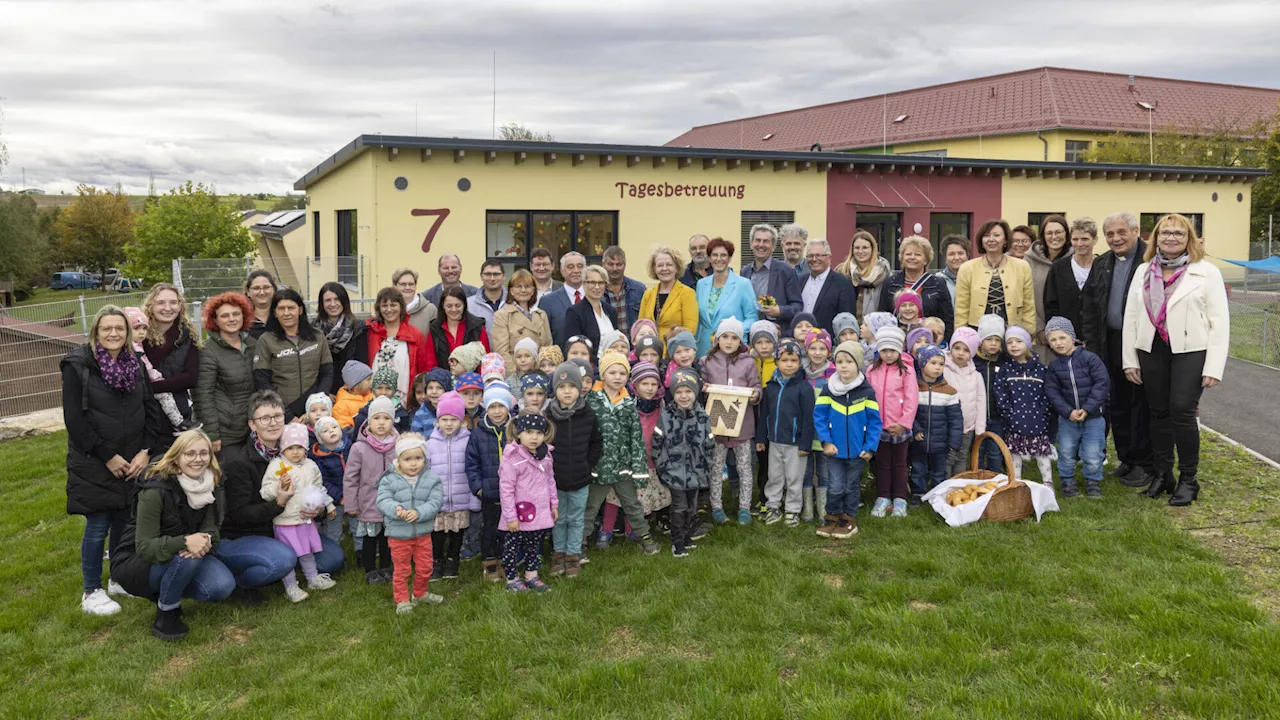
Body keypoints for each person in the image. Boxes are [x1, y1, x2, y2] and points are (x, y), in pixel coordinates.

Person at [1122, 213, 1229, 506]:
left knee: (1182, 411)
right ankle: (1163, 474)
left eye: (1178, 234)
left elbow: (1219, 322)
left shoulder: (1206, 272)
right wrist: (1129, 359)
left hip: (1191, 351)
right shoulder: (1144, 270)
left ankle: (1188, 479)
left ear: (1190, 240)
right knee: (1157, 412)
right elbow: (1131, 316)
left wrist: (1214, 366)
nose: (1171, 238)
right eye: (1165, 232)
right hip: (1151, 348)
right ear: (1155, 238)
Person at [63, 305, 164, 616]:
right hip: (94, 459)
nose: (114, 334)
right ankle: (91, 590)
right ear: (96, 331)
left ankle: (119, 578)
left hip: (132, 459)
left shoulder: (135, 364)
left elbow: (150, 408)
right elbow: (75, 420)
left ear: (128, 332)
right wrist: (107, 456)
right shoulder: (78, 365)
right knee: (98, 525)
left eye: (120, 328)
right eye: (106, 328)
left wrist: (145, 451)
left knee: (124, 519)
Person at [218, 391, 343, 605]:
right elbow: (239, 514)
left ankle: (291, 567)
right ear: (252, 425)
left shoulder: (298, 453)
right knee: (282, 561)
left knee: (333, 559)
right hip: (249, 533)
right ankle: (241, 580)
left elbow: (314, 486)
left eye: (277, 416)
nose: (273, 423)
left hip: (296, 525)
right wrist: (278, 503)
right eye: (264, 418)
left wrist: (318, 509)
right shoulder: (238, 461)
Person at [109, 429, 235, 641]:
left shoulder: (209, 482)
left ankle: (173, 585)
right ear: (177, 458)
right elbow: (144, 547)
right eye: (190, 453)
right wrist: (186, 541)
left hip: (182, 555)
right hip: (136, 562)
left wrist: (205, 540)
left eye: (204, 453)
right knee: (186, 559)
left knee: (222, 585)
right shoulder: (155, 489)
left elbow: (211, 528)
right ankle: (166, 613)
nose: (198, 459)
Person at [1080, 212, 1153, 486]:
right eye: (1110, 234)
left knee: (1140, 403)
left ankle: (1146, 462)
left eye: (1121, 232)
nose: (1116, 238)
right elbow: (1088, 305)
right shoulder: (1103, 263)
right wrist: (1090, 343)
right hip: (1108, 342)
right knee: (1117, 402)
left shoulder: (1149, 260)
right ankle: (1127, 459)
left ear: (1136, 231)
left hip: (1139, 344)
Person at [585, 350, 660, 553]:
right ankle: (579, 544)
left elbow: (635, 440)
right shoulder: (591, 402)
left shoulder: (628, 405)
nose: (618, 377)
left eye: (622, 373)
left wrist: (639, 471)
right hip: (598, 469)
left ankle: (646, 538)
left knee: (633, 505)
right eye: (612, 372)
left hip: (623, 469)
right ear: (602, 374)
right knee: (590, 508)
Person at [259, 423, 338, 603]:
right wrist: (279, 487)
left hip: (306, 520)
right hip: (286, 522)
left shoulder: (311, 466)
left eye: (300, 448)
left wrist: (329, 505)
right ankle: (291, 586)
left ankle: (312, 578)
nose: (295, 452)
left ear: (306, 449)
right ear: (283, 448)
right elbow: (265, 492)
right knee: (289, 555)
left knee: (307, 551)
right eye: (290, 448)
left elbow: (319, 488)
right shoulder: (277, 466)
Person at [813, 340, 880, 539]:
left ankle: (849, 519)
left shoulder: (866, 392)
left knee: (851, 487)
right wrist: (826, 441)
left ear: (858, 364)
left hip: (858, 452)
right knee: (834, 487)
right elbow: (820, 417)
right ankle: (831, 518)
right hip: (834, 451)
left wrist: (869, 448)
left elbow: (875, 422)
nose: (843, 366)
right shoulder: (828, 389)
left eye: (849, 361)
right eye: (839, 361)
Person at [700, 319, 762, 525]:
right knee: (716, 467)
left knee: (744, 467)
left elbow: (756, 386)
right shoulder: (707, 361)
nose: (729, 341)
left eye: (734, 338)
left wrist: (755, 395)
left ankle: (744, 507)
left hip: (742, 424)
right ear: (717, 338)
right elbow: (701, 386)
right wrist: (704, 388)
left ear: (740, 340)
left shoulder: (748, 362)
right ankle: (716, 506)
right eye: (725, 336)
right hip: (716, 424)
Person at [376, 431, 445, 613]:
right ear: (398, 460)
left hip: (422, 534)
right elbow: (383, 500)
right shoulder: (388, 480)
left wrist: (420, 512)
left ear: (425, 458)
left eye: (418, 458)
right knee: (402, 569)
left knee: (425, 567)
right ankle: (402, 600)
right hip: (399, 536)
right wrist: (396, 509)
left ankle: (420, 593)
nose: (413, 463)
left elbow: (435, 502)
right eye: (407, 459)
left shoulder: (432, 479)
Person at [547, 362, 603, 577]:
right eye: (562, 387)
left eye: (572, 386)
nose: (567, 391)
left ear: (579, 388)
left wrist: (587, 465)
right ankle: (558, 553)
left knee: (576, 518)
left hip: (580, 478)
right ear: (555, 391)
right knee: (559, 518)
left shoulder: (587, 414)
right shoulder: (549, 416)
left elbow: (596, 443)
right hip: (556, 480)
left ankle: (573, 555)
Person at [1044, 317, 1110, 498]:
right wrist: (1068, 412)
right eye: (1053, 340)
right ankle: (1067, 481)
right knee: (1065, 450)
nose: (1058, 343)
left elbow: (1101, 384)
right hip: (1068, 419)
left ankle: (1093, 481)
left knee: (1093, 451)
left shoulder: (1090, 359)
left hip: (1093, 417)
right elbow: (1052, 392)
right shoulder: (1054, 367)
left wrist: (1088, 408)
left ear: (1072, 337)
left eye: (1062, 338)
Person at [653, 368, 714, 557]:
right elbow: (657, 442)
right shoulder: (666, 416)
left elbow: (709, 442)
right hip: (674, 471)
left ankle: (687, 536)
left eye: (688, 391)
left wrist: (707, 465)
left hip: (696, 471)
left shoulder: (702, 416)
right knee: (679, 507)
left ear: (695, 392)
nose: (684, 396)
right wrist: (663, 466)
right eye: (679, 392)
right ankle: (677, 541)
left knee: (691, 507)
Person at [755, 338, 814, 526]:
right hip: (774, 441)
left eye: (794, 360)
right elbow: (764, 414)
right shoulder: (771, 387)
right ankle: (773, 506)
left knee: (794, 478)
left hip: (795, 444)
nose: (789, 365)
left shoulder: (804, 388)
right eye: (784, 360)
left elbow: (809, 419)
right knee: (774, 476)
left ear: (800, 362)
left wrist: (805, 444)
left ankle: (793, 509)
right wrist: (761, 438)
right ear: (777, 361)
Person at [253, 288, 334, 422]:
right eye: (281, 308)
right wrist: (288, 415)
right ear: (275, 312)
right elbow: (262, 381)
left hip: (315, 414)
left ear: (300, 310)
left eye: (291, 308)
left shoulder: (317, 336)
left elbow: (327, 373)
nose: (286, 313)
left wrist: (315, 409)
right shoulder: (266, 340)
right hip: (282, 413)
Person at [500, 413, 558, 593]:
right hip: (518, 515)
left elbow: (550, 480)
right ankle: (512, 579)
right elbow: (506, 489)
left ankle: (532, 576)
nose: (534, 437)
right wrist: (511, 517)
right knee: (512, 548)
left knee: (534, 547)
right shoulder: (511, 458)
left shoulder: (546, 455)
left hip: (539, 512)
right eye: (529, 432)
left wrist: (553, 505)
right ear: (519, 433)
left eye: (539, 433)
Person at [345, 395, 400, 583]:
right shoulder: (359, 448)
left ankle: (386, 567)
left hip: (392, 503)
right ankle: (370, 570)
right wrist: (351, 504)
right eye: (377, 418)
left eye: (386, 418)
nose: (382, 423)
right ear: (369, 420)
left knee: (388, 538)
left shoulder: (398, 445)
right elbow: (351, 478)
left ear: (393, 421)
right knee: (370, 539)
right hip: (368, 502)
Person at [422, 390, 476, 581]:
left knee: (457, 533)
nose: (448, 424)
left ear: (461, 420)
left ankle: (453, 561)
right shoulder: (430, 444)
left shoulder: (469, 441)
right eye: (444, 419)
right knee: (437, 535)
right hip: (438, 499)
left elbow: (472, 469)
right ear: (438, 420)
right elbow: (425, 472)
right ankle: (437, 561)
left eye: (453, 419)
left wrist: (473, 499)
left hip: (461, 497)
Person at [196, 293, 258, 453]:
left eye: (236, 314)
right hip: (227, 431)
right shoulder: (208, 350)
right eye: (225, 315)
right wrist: (212, 433)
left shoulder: (253, 344)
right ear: (215, 320)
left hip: (254, 427)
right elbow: (203, 394)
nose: (231, 319)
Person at [865, 326, 917, 519]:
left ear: (899, 351)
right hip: (878, 427)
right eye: (884, 350)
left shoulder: (907, 372)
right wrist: (871, 423)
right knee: (882, 463)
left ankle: (900, 498)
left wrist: (904, 423)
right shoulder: (872, 370)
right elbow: (868, 396)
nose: (888, 355)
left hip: (899, 427)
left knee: (900, 464)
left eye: (892, 351)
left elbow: (911, 398)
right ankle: (883, 496)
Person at [995, 326, 1055, 485]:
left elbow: (1047, 395)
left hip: (1037, 421)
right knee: (1014, 454)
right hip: (1013, 422)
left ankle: (1048, 484)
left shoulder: (1041, 370)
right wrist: (1009, 414)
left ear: (1028, 344)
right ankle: (1016, 483)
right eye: (1009, 342)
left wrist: (1043, 414)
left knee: (1042, 453)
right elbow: (1000, 394)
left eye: (1018, 341)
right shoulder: (1005, 370)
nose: (1014, 345)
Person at [954, 219, 1037, 333]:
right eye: (986, 236)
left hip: (1013, 331)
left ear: (1006, 240)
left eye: (996, 235)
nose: (991, 239)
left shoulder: (1022, 267)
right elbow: (961, 308)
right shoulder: (967, 268)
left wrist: (1028, 333)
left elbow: (1029, 306)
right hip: (976, 330)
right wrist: (961, 334)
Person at [465, 383, 511, 582]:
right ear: (487, 408)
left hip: (511, 492)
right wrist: (479, 488)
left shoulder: (515, 431)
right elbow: (471, 463)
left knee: (508, 529)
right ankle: (490, 563)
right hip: (489, 493)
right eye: (492, 407)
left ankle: (505, 561)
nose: (497, 411)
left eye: (501, 406)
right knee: (490, 529)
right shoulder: (478, 433)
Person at [141, 283, 200, 435]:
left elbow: (190, 378)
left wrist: (153, 388)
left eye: (173, 302)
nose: (168, 308)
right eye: (160, 303)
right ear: (150, 306)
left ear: (180, 305)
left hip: (178, 413)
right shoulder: (139, 336)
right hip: (144, 412)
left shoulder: (187, 336)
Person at [123, 306, 192, 435]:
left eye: (144, 328)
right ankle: (178, 423)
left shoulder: (137, 345)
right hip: (143, 384)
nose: (142, 332)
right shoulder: (133, 348)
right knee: (165, 396)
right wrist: (155, 375)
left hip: (144, 383)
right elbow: (144, 364)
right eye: (136, 328)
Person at [910, 344, 963, 503]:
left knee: (939, 472)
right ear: (922, 364)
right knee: (918, 469)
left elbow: (956, 419)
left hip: (941, 442)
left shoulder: (950, 391)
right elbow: (908, 412)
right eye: (933, 363)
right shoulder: (913, 388)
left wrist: (954, 442)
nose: (937, 367)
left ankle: (938, 496)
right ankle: (918, 494)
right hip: (919, 441)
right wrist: (915, 429)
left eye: (941, 364)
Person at [877, 235, 954, 340]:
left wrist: (942, 343)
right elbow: (883, 315)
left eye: (917, 254)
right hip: (897, 339)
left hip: (928, 340)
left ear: (926, 260)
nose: (912, 257)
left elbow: (947, 318)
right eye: (908, 254)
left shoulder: (937, 283)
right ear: (902, 258)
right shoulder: (890, 282)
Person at [366, 286, 435, 400]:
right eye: (384, 305)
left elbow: (422, 367)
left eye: (393, 305)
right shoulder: (371, 332)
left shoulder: (414, 335)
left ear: (401, 307)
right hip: (374, 397)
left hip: (405, 396)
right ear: (379, 308)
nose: (389, 309)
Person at [695, 238, 759, 356]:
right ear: (709, 258)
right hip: (705, 350)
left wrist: (733, 331)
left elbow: (752, 317)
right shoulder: (701, 284)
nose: (719, 259)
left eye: (723, 255)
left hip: (732, 349)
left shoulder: (743, 284)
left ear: (729, 258)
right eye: (714, 255)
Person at [1025, 216, 1071, 360]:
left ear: (1066, 234)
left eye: (1058, 232)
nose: (1054, 237)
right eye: (1049, 233)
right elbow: (1026, 296)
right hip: (1037, 332)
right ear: (1043, 236)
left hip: (1068, 335)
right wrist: (1039, 328)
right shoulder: (1029, 260)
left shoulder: (1075, 259)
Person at [741, 223, 804, 329]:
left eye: (766, 241)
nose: (761, 245)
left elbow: (797, 306)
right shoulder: (745, 272)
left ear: (773, 247)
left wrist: (779, 310)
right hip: (749, 332)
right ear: (751, 244)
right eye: (758, 240)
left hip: (776, 334)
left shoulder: (786, 272)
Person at [943, 328, 986, 478]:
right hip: (947, 425)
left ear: (972, 353)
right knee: (948, 458)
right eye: (957, 348)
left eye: (966, 350)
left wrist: (980, 428)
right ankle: (944, 487)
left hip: (968, 427)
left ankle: (958, 486)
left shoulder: (976, 376)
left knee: (961, 457)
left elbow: (981, 402)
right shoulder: (943, 369)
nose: (960, 353)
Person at [1044, 217, 1097, 340]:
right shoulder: (1058, 268)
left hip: (1097, 340)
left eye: (1084, 239)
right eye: (1075, 239)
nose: (1079, 244)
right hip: (1065, 340)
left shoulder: (1103, 267)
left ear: (1095, 240)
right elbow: (1051, 305)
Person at [491, 268, 553, 368]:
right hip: (515, 375)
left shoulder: (541, 315)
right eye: (518, 286)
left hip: (539, 373)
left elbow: (548, 348)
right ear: (511, 290)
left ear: (533, 290)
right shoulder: (502, 315)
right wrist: (516, 376)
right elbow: (501, 351)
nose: (523, 290)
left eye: (527, 286)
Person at [316, 282, 370, 396]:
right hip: (323, 394)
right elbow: (311, 368)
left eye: (337, 299)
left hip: (351, 393)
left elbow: (361, 365)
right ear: (322, 304)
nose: (333, 304)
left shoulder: (358, 328)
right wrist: (324, 392)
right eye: (328, 300)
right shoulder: (313, 331)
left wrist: (347, 392)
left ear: (344, 301)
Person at [639, 245, 698, 343]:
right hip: (650, 352)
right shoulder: (648, 294)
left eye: (669, 265)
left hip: (675, 351)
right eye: (660, 265)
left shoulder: (687, 293)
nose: (664, 268)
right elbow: (640, 326)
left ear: (676, 267)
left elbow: (690, 329)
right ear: (654, 268)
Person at [801, 238, 856, 335]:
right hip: (801, 341)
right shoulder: (800, 281)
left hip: (827, 343)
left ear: (829, 258)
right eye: (810, 256)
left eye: (818, 255)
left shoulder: (842, 283)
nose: (814, 259)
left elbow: (846, 318)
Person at [973, 315, 1008, 472]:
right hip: (977, 416)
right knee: (977, 450)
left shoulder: (1004, 362)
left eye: (997, 340)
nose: (993, 343)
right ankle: (977, 475)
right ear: (981, 341)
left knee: (995, 451)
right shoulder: (973, 361)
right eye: (989, 339)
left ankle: (996, 478)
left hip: (997, 417)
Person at [430, 285, 490, 370]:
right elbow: (430, 362)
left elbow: (484, 360)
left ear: (464, 305)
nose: (454, 310)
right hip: (443, 381)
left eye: (458, 305)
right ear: (443, 306)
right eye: (449, 306)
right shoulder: (434, 328)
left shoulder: (477, 327)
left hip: (472, 381)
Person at [835, 231, 892, 321]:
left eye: (865, 247)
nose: (860, 251)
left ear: (872, 249)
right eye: (857, 248)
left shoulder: (883, 273)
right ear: (852, 250)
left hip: (874, 327)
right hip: (846, 328)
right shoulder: (842, 271)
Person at [562, 265, 618, 355]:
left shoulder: (611, 311)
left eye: (601, 283)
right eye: (592, 282)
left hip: (612, 364)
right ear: (584, 284)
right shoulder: (575, 312)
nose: (597, 287)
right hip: (589, 366)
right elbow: (572, 348)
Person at [310, 416, 349, 543]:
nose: (331, 431)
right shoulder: (319, 458)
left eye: (334, 427)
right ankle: (334, 553)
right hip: (335, 500)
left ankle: (360, 552)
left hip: (354, 496)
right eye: (325, 431)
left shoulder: (350, 447)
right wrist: (339, 497)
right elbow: (323, 481)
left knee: (358, 526)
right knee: (334, 529)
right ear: (320, 439)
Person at [537, 251, 587, 348]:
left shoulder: (597, 298)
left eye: (580, 266)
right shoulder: (548, 301)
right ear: (562, 271)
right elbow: (543, 339)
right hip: (560, 360)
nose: (576, 270)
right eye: (570, 267)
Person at [601, 246, 646, 337]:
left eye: (619, 264)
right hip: (607, 347)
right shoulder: (597, 291)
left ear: (624, 265)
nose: (614, 268)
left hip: (633, 347)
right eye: (610, 264)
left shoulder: (638, 289)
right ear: (603, 265)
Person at [392, 268, 437, 339]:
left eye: (411, 284)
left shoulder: (430, 310)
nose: (407, 287)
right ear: (394, 287)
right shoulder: (389, 310)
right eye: (403, 284)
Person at [467, 259, 509, 335]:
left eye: (496, 274)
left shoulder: (513, 302)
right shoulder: (468, 305)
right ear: (481, 276)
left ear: (504, 276)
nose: (492, 278)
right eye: (488, 274)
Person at [334, 361, 374, 430]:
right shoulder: (341, 407)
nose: (372, 382)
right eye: (368, 379)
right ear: (355, 386)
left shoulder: (372, 395)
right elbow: (346, 430)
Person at [934, 234, 970, 306]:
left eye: (960, 253)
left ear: (967, 255)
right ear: (945, 258)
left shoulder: (977, 278)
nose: (956, 258)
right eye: (951, 254)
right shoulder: (936, 280)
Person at [243, 270, 277, 339]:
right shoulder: (242, 319)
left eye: (266, 287)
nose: (262, 292)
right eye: (256, 288)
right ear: (248, 291)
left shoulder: (283, 316)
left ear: (274, 289)